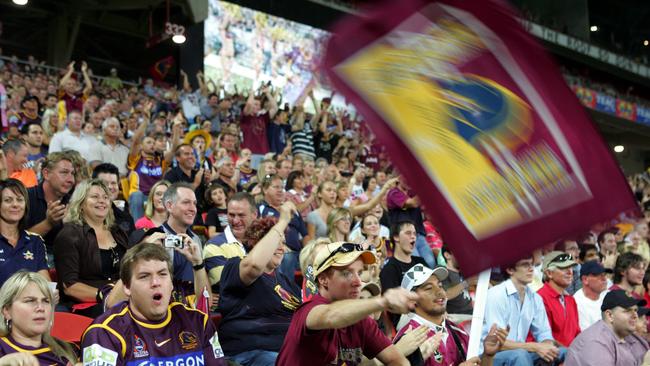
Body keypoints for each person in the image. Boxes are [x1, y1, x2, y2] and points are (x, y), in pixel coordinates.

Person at [81, 243, 226, 365]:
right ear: (127, 287)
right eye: (144, 276)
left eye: (162, 274)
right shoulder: (105, 332)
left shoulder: (198, 322)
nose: (155, 283)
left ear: (171, 283)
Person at [276, 241, 419, 365]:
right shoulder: (309, 310)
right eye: (347, 273)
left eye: (360, 272)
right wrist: (383, 301)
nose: (358, 282)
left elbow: (397, 360)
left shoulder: (362, 321)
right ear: (323, 279)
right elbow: (331, 315)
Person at [219, 203, 301, 365]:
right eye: (276, 240)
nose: (281, 248)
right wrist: (283, 220)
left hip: (287, 351)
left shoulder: (287, 283)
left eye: (283, 242)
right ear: (256, 243)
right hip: (250, 352)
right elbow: (254, 265)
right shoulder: (235, 266)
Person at [395, 264, 509, 366]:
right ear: (412, 300)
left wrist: (487, 356)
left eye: (440, 285)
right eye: (429, 288)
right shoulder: (407, 339)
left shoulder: (458, 331)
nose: (440, 291)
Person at [53, 179, 128, 317]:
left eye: (105, 197)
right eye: (95, 197)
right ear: (81, 204)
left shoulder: (118, 232)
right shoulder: (69, 235)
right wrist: (106, 296)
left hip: (122, 299)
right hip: (87, 306)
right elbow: (70, 287)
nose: (102, 201)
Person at [481, 256, 566, 366]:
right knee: (520, 355)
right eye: (525, 265)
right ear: (510, 270)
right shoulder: (496, 295)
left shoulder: (535, 298)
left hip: (521, 352)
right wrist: (535, 347)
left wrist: (547, 347)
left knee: (564, 352)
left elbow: (544, 334)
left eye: (532, 264)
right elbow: (496, 343)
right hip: (490, 356)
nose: (531, 269)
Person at [0, 271, 79, 365]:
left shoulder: (69, 350)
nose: (41, 308)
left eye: (46, 301)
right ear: (7, 311)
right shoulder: (2, 348)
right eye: (30, 301)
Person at [565, 290, 650, 365]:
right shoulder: (595, 343)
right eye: (628, 311)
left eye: (635, 310)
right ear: (609, 315)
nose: (635, 315)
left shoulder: (631, 337)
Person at [204, 193, 259, 292]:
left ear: (254, 215)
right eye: (231, 215)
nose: (235, 221)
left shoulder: (262, 241)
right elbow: (228, 286)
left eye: (241, 215)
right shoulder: (214, 246)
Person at [0, 179, 51, 285]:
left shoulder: (35, 241)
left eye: (20, 200)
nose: (15, 205)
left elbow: (45, 284)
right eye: (8, 200)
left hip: (31, 300)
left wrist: (50, 292)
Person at [258, 174, 307, 277]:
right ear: (265, 190)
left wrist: (310, 251)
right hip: (276, 253)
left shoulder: (292, 208)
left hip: (298, 254)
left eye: (282, 187)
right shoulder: (261, 209)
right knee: (286, 257)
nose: (280, 190)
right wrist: (281, 246)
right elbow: (259, 234)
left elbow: (305, 234)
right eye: (276, 187)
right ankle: (284, 290)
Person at [26, 152, 75, 251]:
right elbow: (18, 241)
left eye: (72, 173)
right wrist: (48, 223)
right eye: (64, 172)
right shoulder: (26, 197)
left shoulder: (74, 201)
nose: (71, 180)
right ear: (46, 174)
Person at [386, 177, 435, 268]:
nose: (408, 181)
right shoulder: (393, 193)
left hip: (418, 234)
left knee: (431, 263)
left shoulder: (413, 192)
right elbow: (413, 203)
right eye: (405, 177)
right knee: (416, 266)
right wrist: (426, 187)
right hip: (403, 236)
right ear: (399, 178)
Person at [536, 251, 580, 347]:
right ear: (549, 273)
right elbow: (544, 339)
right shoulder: (540, 298)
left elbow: (577, 334)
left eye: (571, 267)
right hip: (552, 357)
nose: (570, 272)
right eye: (563, 268)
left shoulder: (571, 300)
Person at [380, 221, 429, 294]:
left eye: (414, 234)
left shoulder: (420, 262)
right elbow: (392, 302)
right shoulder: (389, 270)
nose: (413, 237)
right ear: (396, 237)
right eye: (408, 233)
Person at [92, 163, 135, 235]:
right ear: (93, 184)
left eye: (113, 183)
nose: (110, 187)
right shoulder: (87, 212)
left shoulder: (124, 212)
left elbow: (133, 239)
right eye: (104, 183)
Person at [574, 260, 611, 331]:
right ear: (585, 279)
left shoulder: (607, 294)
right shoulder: (577, 303)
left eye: (604, 275)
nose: (604, 279)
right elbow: (587, 336)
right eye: (599, 276)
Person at [440, 246, 474, 316]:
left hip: (472, 312)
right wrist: (466, 283)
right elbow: (445, 295)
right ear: (447, 255)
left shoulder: (463, 271)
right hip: (457, 316)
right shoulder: (443, 272)